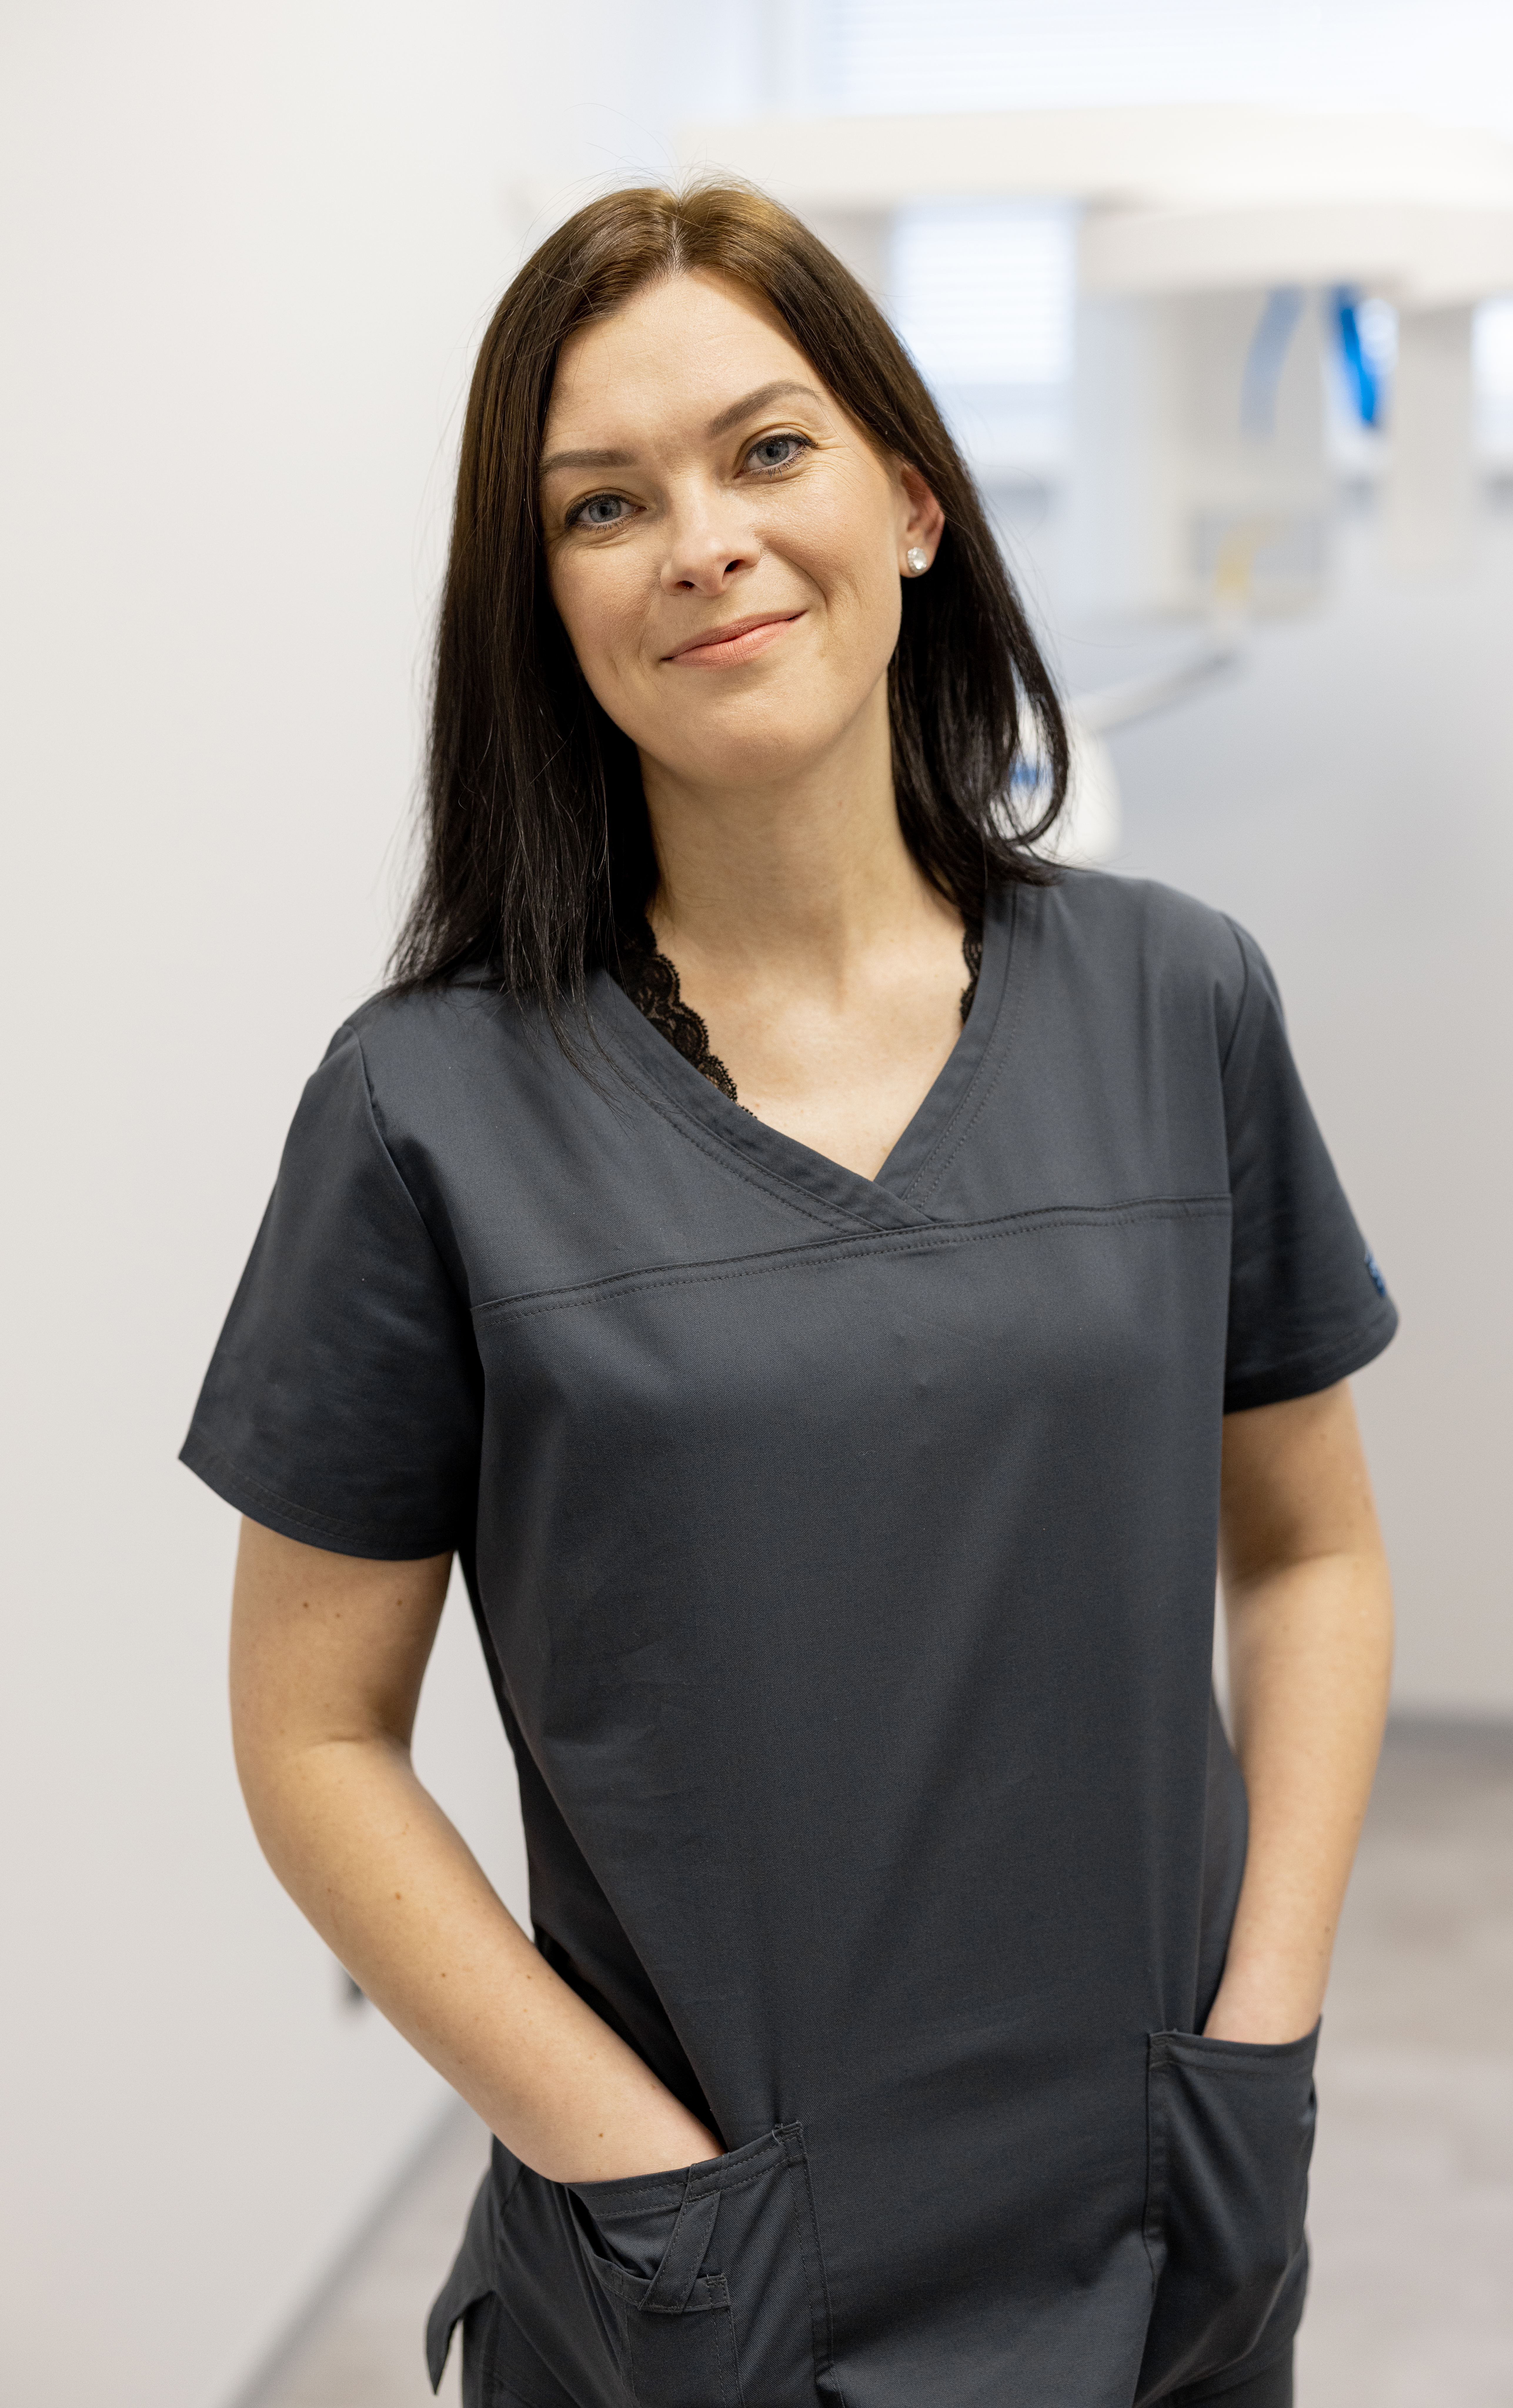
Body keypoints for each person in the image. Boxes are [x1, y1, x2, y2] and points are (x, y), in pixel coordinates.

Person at [183, 183, 1397, 2408]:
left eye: (769, 451)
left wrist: (1264, 2036)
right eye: (602, 505)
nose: (703, 543)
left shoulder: (1173, 1000)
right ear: (542, 604)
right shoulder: (421, 1111)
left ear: (913, 501)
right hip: (700, 2288)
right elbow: (310, 1733)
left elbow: (1308, 1543)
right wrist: (641, 2183)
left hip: (1160, 2229)